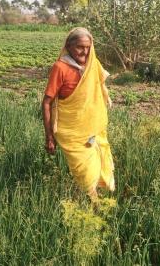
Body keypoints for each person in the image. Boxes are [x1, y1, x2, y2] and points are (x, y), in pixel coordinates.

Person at [42, 27, 114, 201]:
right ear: (69, 46)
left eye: (88, 47)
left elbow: (99, 85)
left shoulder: (92, 64)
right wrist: (49, 136)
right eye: (80, 47)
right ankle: (95, 204)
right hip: (70, 131)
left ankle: (96, 200)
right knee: (84, 170)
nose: (85, 51)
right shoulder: (60, 67)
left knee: (97, 162)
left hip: (92, 127)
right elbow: (46, 102)